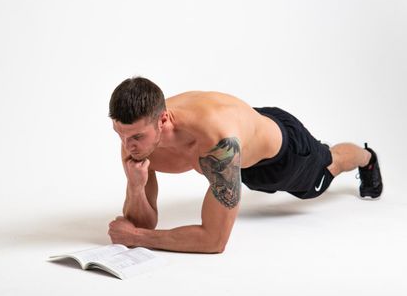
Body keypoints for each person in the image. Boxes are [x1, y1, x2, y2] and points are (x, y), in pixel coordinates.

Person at [107, 77, 383, 253]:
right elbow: (144, 222)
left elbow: (214, 241)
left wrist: (141, 238)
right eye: (120, 134)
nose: (128, 145)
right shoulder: (137, 137)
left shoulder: (218, 141)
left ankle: (367, 158)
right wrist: (135, 185)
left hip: (284, 156)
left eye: (136, 136)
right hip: (244, 132)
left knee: (329, 163)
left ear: (163, 120)